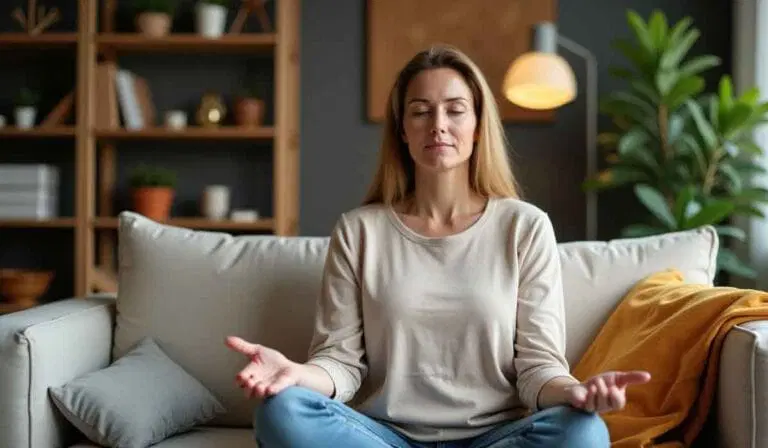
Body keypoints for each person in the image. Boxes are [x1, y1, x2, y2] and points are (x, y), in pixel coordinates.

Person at [225, 44, 651, 448]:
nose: (438, 125)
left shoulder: (524, 227)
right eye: (420, 112)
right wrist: (298, 373)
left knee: (583, 432)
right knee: (282, 411)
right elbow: (341, 362)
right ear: (402, 131)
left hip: (497, 436)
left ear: (478, 126)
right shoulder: (359, 231)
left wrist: (577, 393)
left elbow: (537, 369)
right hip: (383, 436)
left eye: (455, 109)